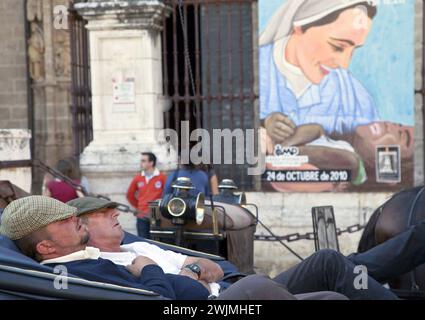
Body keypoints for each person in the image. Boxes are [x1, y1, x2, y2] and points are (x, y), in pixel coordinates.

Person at [0, 196, 346, 300]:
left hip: (219, 290)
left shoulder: (92, 258)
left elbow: (211, 268)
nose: (74, 219)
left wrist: (184, 273)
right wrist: (150, 268)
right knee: (258, 286)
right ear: (45, 246)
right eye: (63, 221)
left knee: (334, 296)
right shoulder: (79, 272)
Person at [64, 197, 403, 300]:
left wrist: (192, 271)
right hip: (225, 300)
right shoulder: (99, 262)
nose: (114, 216)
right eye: (102, 215)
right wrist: (187, 279)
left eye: (112, 210)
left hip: (230, 285)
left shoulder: (138, 243)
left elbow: (210, 266)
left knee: (329, 263)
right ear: (81, 226)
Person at [260, 0, 379, 141]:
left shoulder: (352, 95)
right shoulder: (252, 70)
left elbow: (376, 149)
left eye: (353, 51)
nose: (344, 64)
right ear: (299, 27)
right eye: (338, 47)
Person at [126, 152, 167, 239]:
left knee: (157, 242)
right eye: (141, 161)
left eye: (144, 161)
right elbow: (130, 195)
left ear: (151, 163)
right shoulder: (138, 178)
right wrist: (139, 206)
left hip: (158, 216)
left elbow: (167, 195)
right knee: (143, 241)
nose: (141, 163)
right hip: (142, 216)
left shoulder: (162, 177)